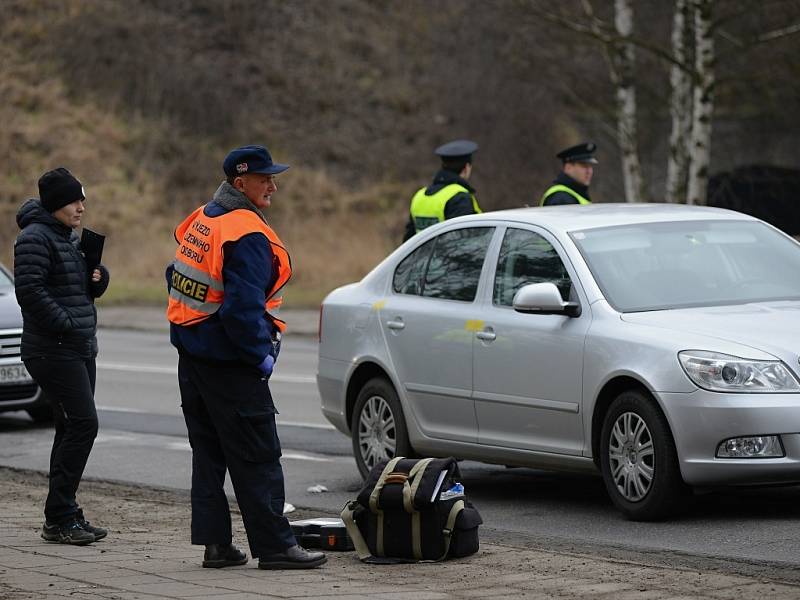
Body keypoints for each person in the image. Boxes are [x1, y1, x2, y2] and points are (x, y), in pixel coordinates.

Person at [166, 144, 326, 570]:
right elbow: (242, 309)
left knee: (209, 455)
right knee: (258, 455)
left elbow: (177, 275)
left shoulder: (204, 217)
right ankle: (275, 547)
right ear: (241, 184)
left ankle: (216, 546)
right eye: (265, 178)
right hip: (230, 364)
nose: (273, 185)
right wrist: (260, 356)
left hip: (193, 357)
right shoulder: (247, 233)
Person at [14, 167, 110, 546]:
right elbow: (31, 291)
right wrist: (67, 323)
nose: (81, 207)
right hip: (53, 349)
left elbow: (76, 287)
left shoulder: (66, 237)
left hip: (78, 347)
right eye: (75, 200)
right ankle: (61, 515)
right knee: (84, 424)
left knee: (70, 427)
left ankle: (61, 515)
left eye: (82, 199)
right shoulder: (35, 238)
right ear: (56, 204)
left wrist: (99, 275)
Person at [403, 139, 482, 241]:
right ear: (466, 168)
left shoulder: (419, 196)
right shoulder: (460, 197)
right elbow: (463, 242)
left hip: (423, 256)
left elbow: (408, 240)